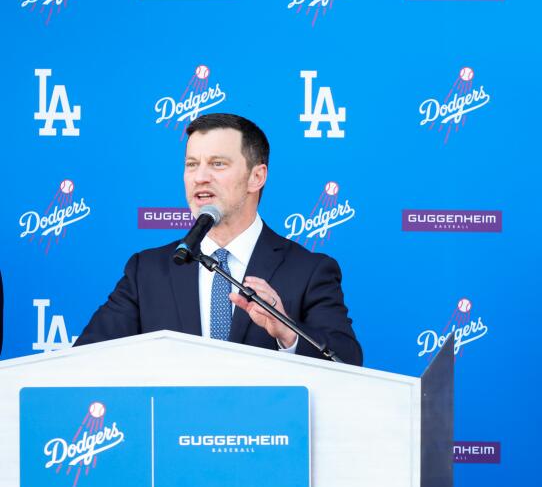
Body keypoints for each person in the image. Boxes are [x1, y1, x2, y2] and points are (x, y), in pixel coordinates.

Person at [75, 113, 362, 366]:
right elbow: (84, 360)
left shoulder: (308, 270)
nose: (200, 177)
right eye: (191, 164)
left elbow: (347, 360)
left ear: (256, 177)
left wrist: (286, 333)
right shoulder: (147, 271)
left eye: (218, 164)